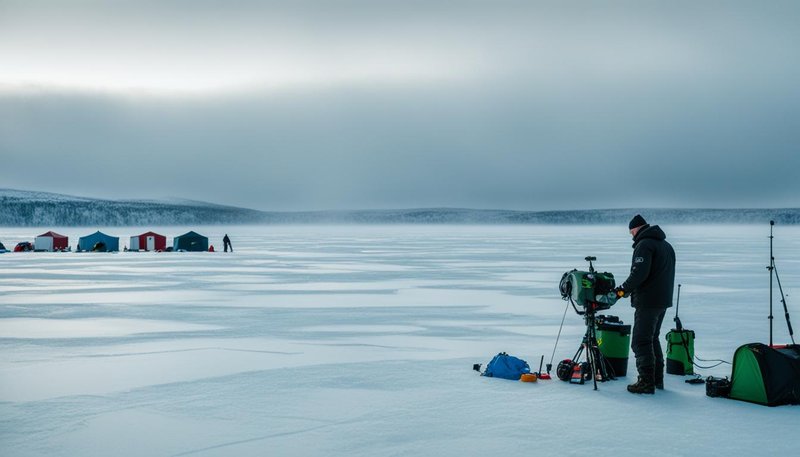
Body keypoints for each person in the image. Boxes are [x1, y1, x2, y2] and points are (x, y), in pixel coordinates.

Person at [614, 214, 676, 394]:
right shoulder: (666, 245)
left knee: (640, 341)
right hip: (662, 300)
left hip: (648, 301)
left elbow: (639, 275)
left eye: (631, 231)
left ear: (636, 228)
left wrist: (621, 291)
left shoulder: (644, 245)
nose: (631, 235)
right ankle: (657, 380)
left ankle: (646, 382)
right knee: (652, 338)